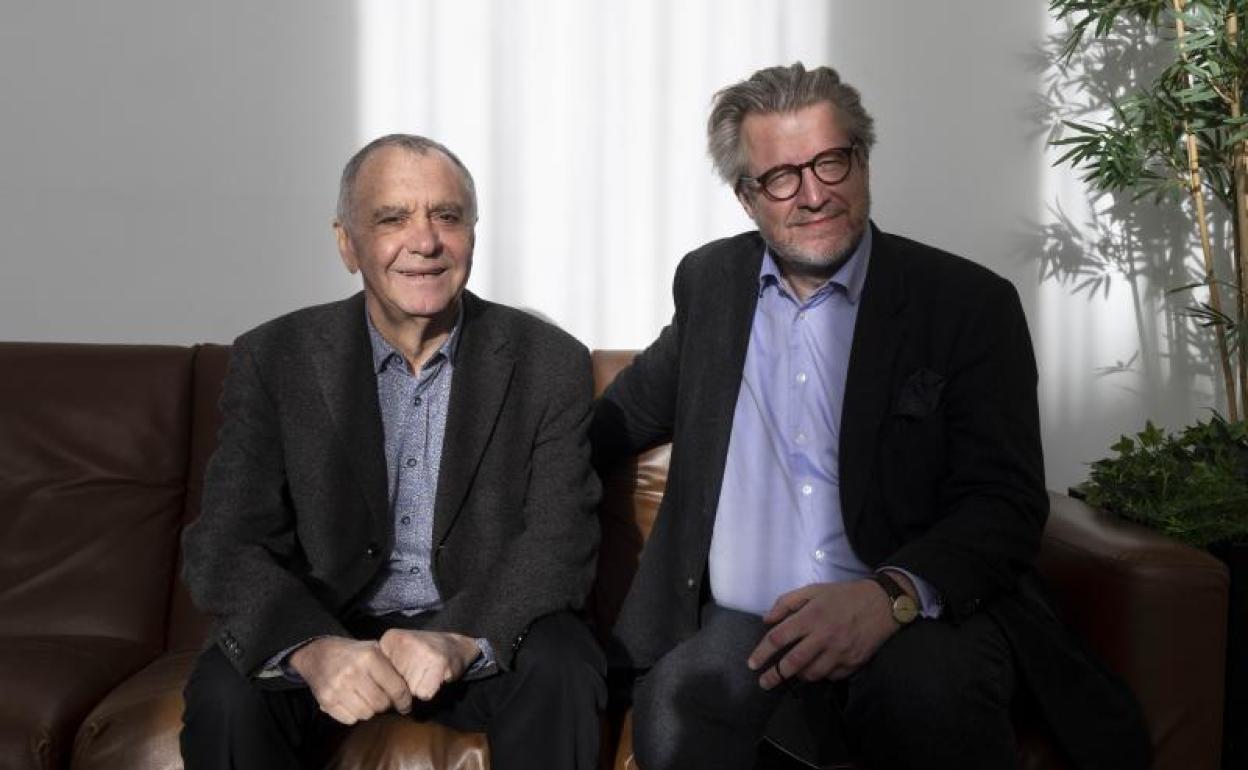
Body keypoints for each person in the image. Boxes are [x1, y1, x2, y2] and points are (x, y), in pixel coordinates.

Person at [591, 63, 1149, 770]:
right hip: (747, 624)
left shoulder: (967, 305)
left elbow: (1003, 503)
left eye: (832, 161)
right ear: (746, 196)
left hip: (912, 614)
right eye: (782, 176)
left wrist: (888, 597)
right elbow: (617, 420)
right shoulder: (711, 285)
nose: (815, 194)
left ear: (863, 159)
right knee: (682, 699)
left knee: (925, 692)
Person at [180, 134, 604, 770]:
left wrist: (462, 639)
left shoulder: (549, 361)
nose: (425, 240)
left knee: (565, 660)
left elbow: (560, 541)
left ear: (472, 234)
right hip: (327, 624)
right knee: (225, 692)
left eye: (447, 215)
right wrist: (311, 647)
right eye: (392, 217)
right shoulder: (276, 358)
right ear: (347, 243)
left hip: (473, 623)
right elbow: (227, 544)